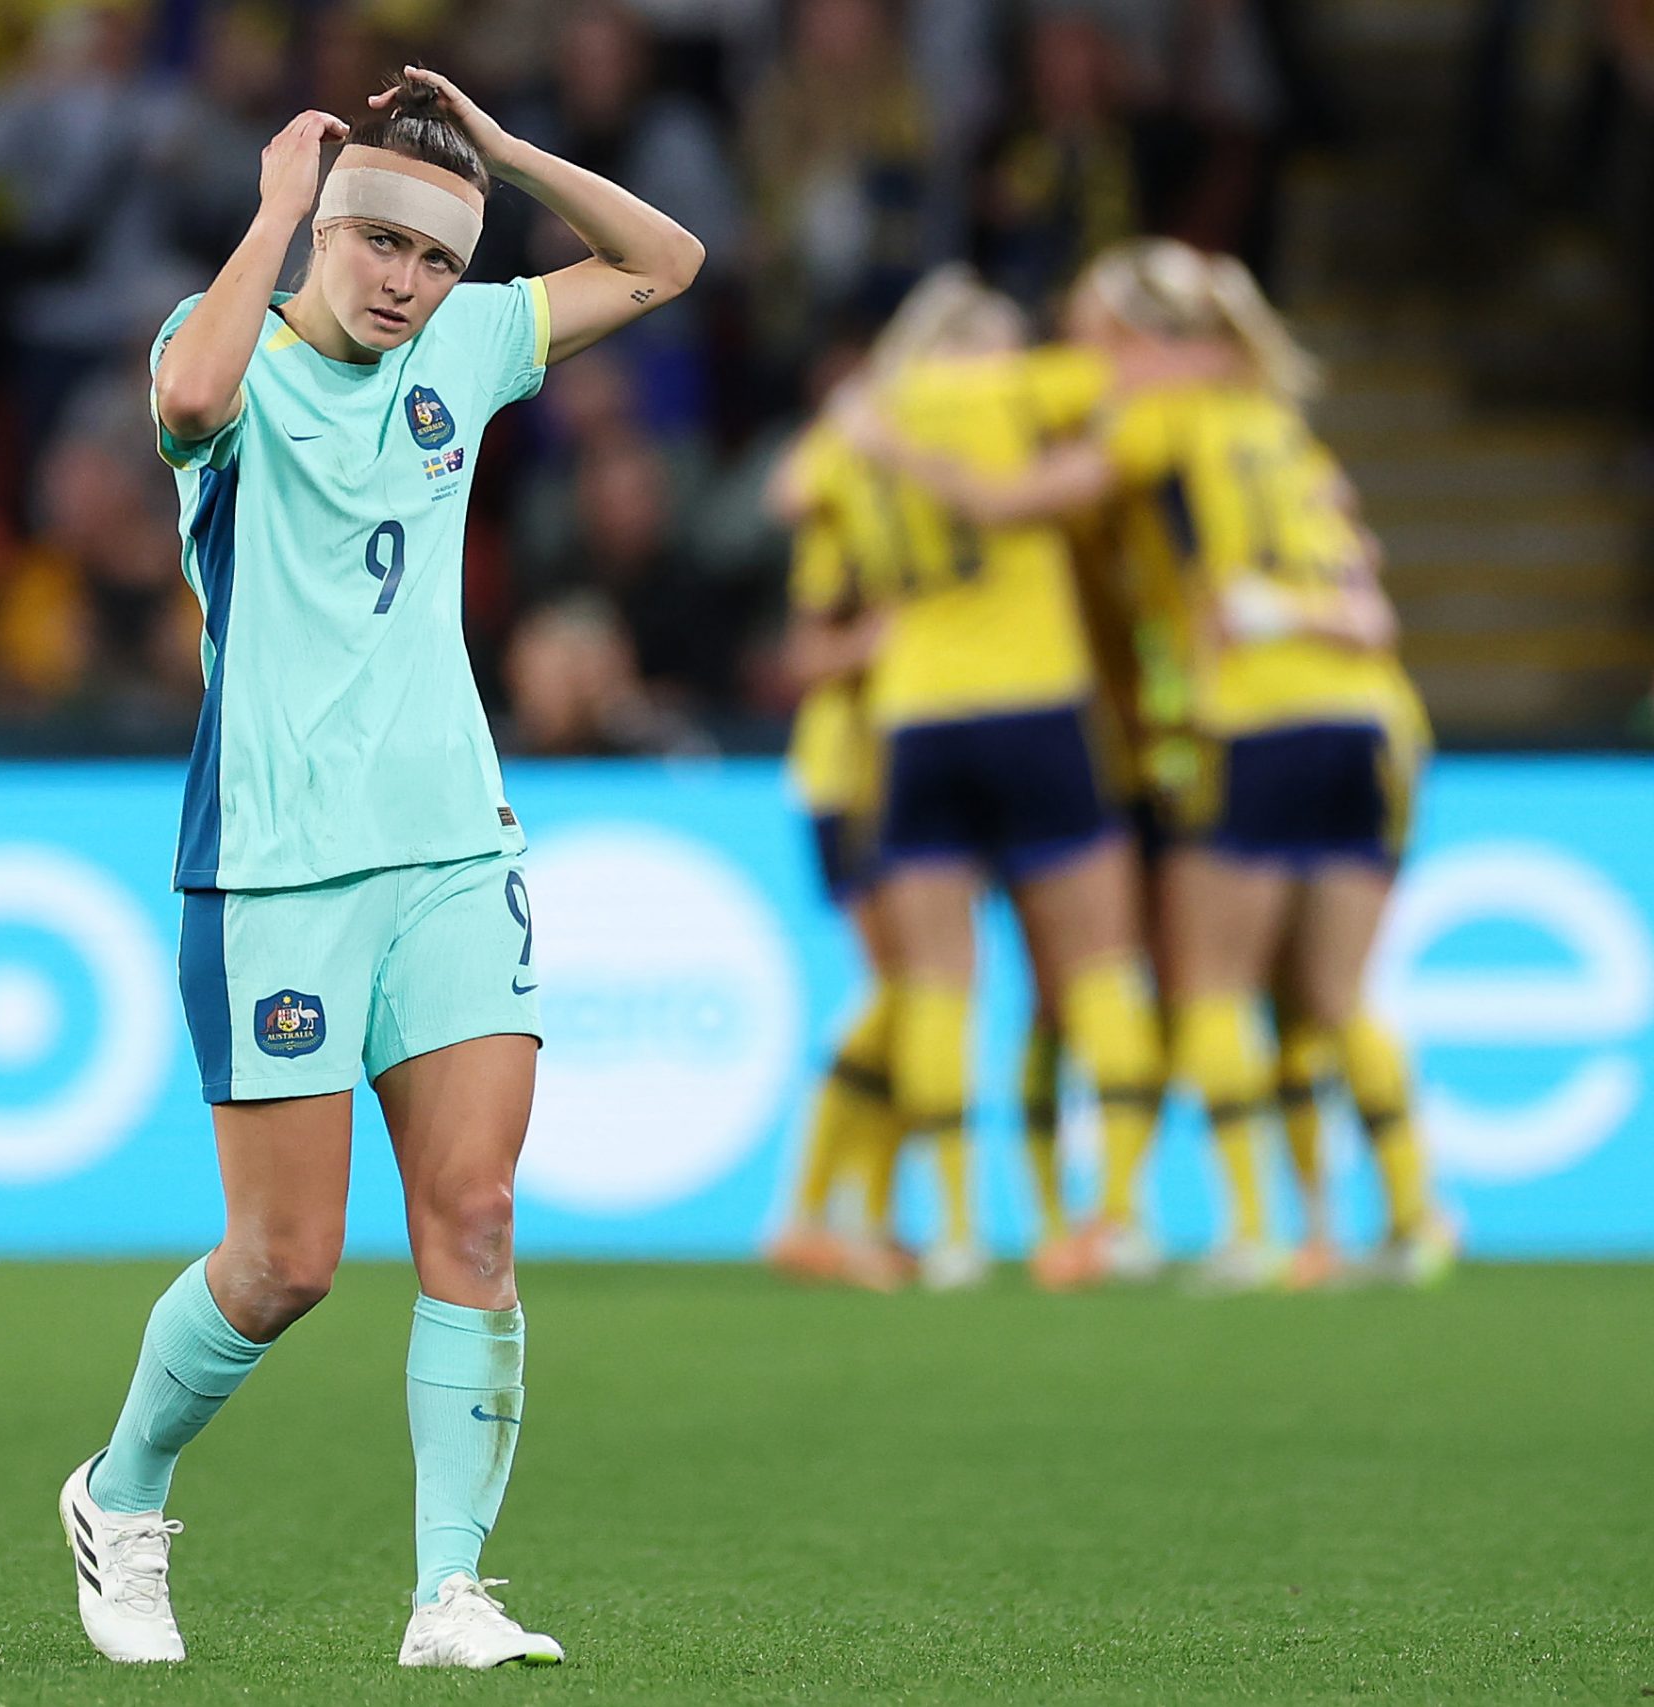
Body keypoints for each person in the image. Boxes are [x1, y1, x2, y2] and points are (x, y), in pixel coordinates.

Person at [59, 67, 702, 1670]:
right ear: (327, 234)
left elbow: (665, 262)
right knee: (285, 1264)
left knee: (473, 1213)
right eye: (381, 248)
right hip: (275, 864)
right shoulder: (229, 352)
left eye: (436, 256)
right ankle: (118, 1492)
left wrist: (501, 153)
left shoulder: (471, 342)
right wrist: (278, 204)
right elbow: (192, 404)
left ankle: (449, 1592)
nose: (408, 283)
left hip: (448, 844)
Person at [864, 242, 1449, 1291]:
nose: (1080, 354)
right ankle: (1407, 1221)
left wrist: (894, 442)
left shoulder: (1157, 418)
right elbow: (1369, 593)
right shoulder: (1284, 434)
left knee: (1209, 983)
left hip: (1249, 717)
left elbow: (1018, 503)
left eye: (1094, 331)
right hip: (1373, 720)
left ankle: (1256, 1233)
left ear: (1145, 340)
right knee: (1331, 995)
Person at [829, 268, 1168, 1292]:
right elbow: (1139, 382)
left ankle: (958, 1235)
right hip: (1034, 700)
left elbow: (794, 499)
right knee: (1097, 966)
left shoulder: (869, 418)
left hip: (915, 713)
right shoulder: (1021, 387)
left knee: (937, 981)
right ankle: (1115, 1216)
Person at [761, 404, 909, 1289]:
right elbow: (804, 657)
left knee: (914, 994)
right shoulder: (849, 510)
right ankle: (812, 1211)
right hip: (846, 772)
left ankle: (861, 1216)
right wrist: (881, 642)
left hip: (901, 769)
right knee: (900, 989)